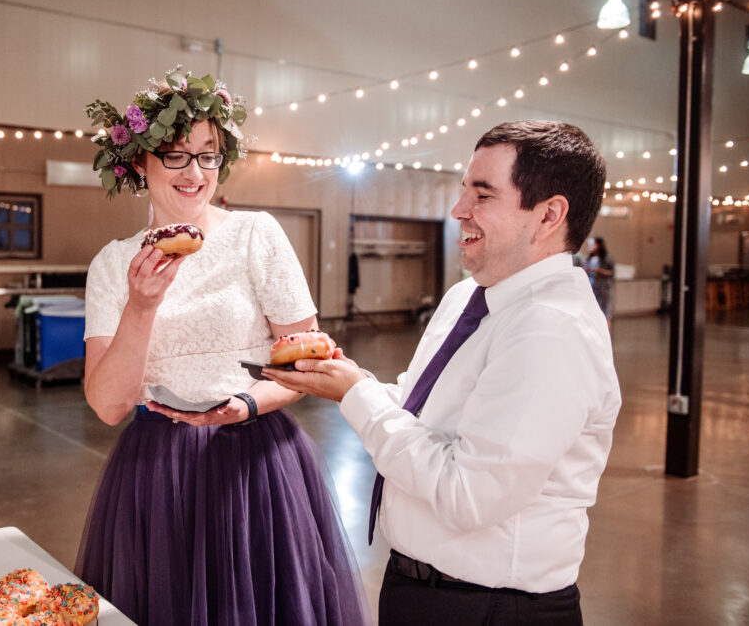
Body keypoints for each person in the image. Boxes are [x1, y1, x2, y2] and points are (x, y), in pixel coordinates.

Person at [265, 121, 622, 625]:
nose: (459, 211)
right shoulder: (466, 298)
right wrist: (350, 380)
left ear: (548, 215)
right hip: (422, 587)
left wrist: (358, 397)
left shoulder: (550, 330)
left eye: (483, 194)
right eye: (463, 192)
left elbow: (469, 495)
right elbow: (420, 410)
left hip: (491, 606)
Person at [75, 68, 368, 626]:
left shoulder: (257, 235)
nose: (195, 173)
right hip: (159, 468)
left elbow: (309, 364)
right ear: (139, 161)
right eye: (177, 155)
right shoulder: (114, 265)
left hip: (258, 462)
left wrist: (250, 403)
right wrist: (141, 306)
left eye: (208, 155)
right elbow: (110, 406)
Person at [585, 236, 616, 326]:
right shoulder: (589, 259)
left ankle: (607, 335)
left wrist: (598, 270)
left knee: (605, 313)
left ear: (598, 245)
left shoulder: (608, 258)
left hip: (604, 289)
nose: (590, 247)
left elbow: (611, 272)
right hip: (593, 288)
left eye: (592, 245)